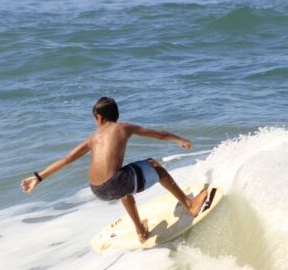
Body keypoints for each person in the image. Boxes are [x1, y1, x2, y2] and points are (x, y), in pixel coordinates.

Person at [20, 97, 208, 243]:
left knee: (125, 186)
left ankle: (140, 230)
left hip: (97, 190)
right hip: (117, 181)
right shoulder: (124, 127)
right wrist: (180, 140)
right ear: (115, 115)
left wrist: (38, 177)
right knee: (154, 166)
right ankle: (189, 205)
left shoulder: (92, 138)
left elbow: (66, 159)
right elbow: (160, 135)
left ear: (98, 117)